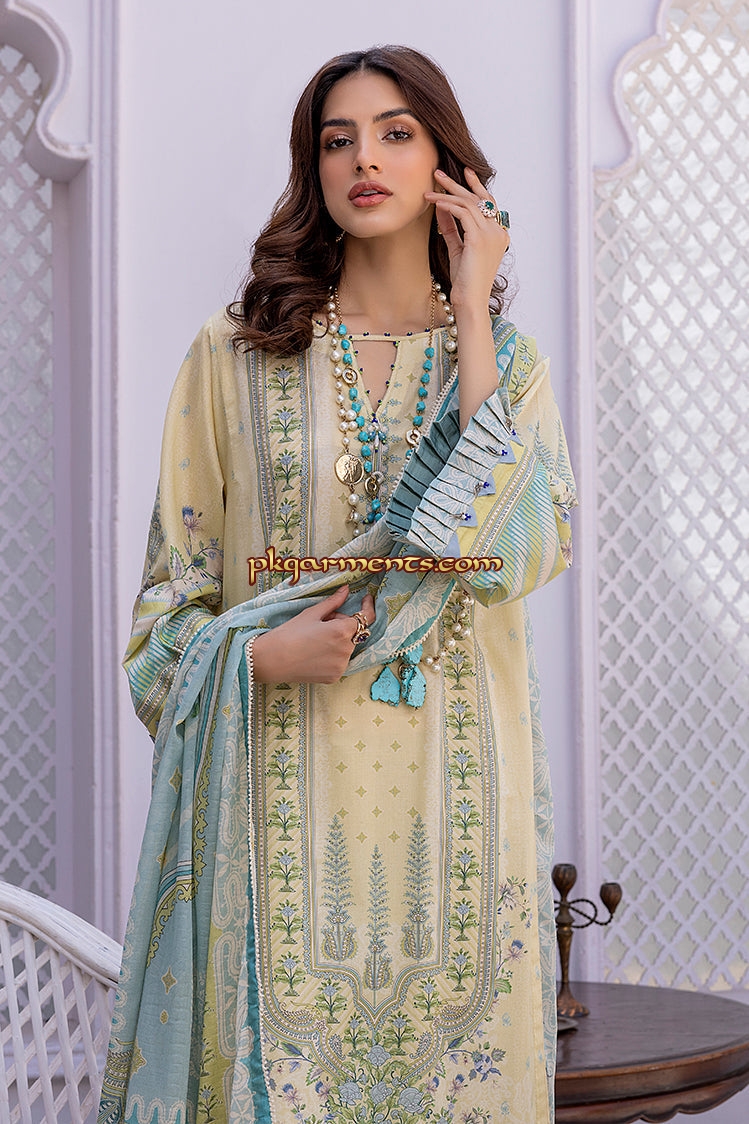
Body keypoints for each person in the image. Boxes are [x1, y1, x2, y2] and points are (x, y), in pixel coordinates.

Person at [99, 45, 576, 1124]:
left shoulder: (506, 365)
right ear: (311, 168)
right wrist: (256, 653)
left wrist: (468, 310)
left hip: (461, 830)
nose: (363, 158)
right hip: (279, 817)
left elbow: (521, 552)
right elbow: (164, 614)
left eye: (395, 133)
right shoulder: (233, 356)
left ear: (447, 166)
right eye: (337, 139)